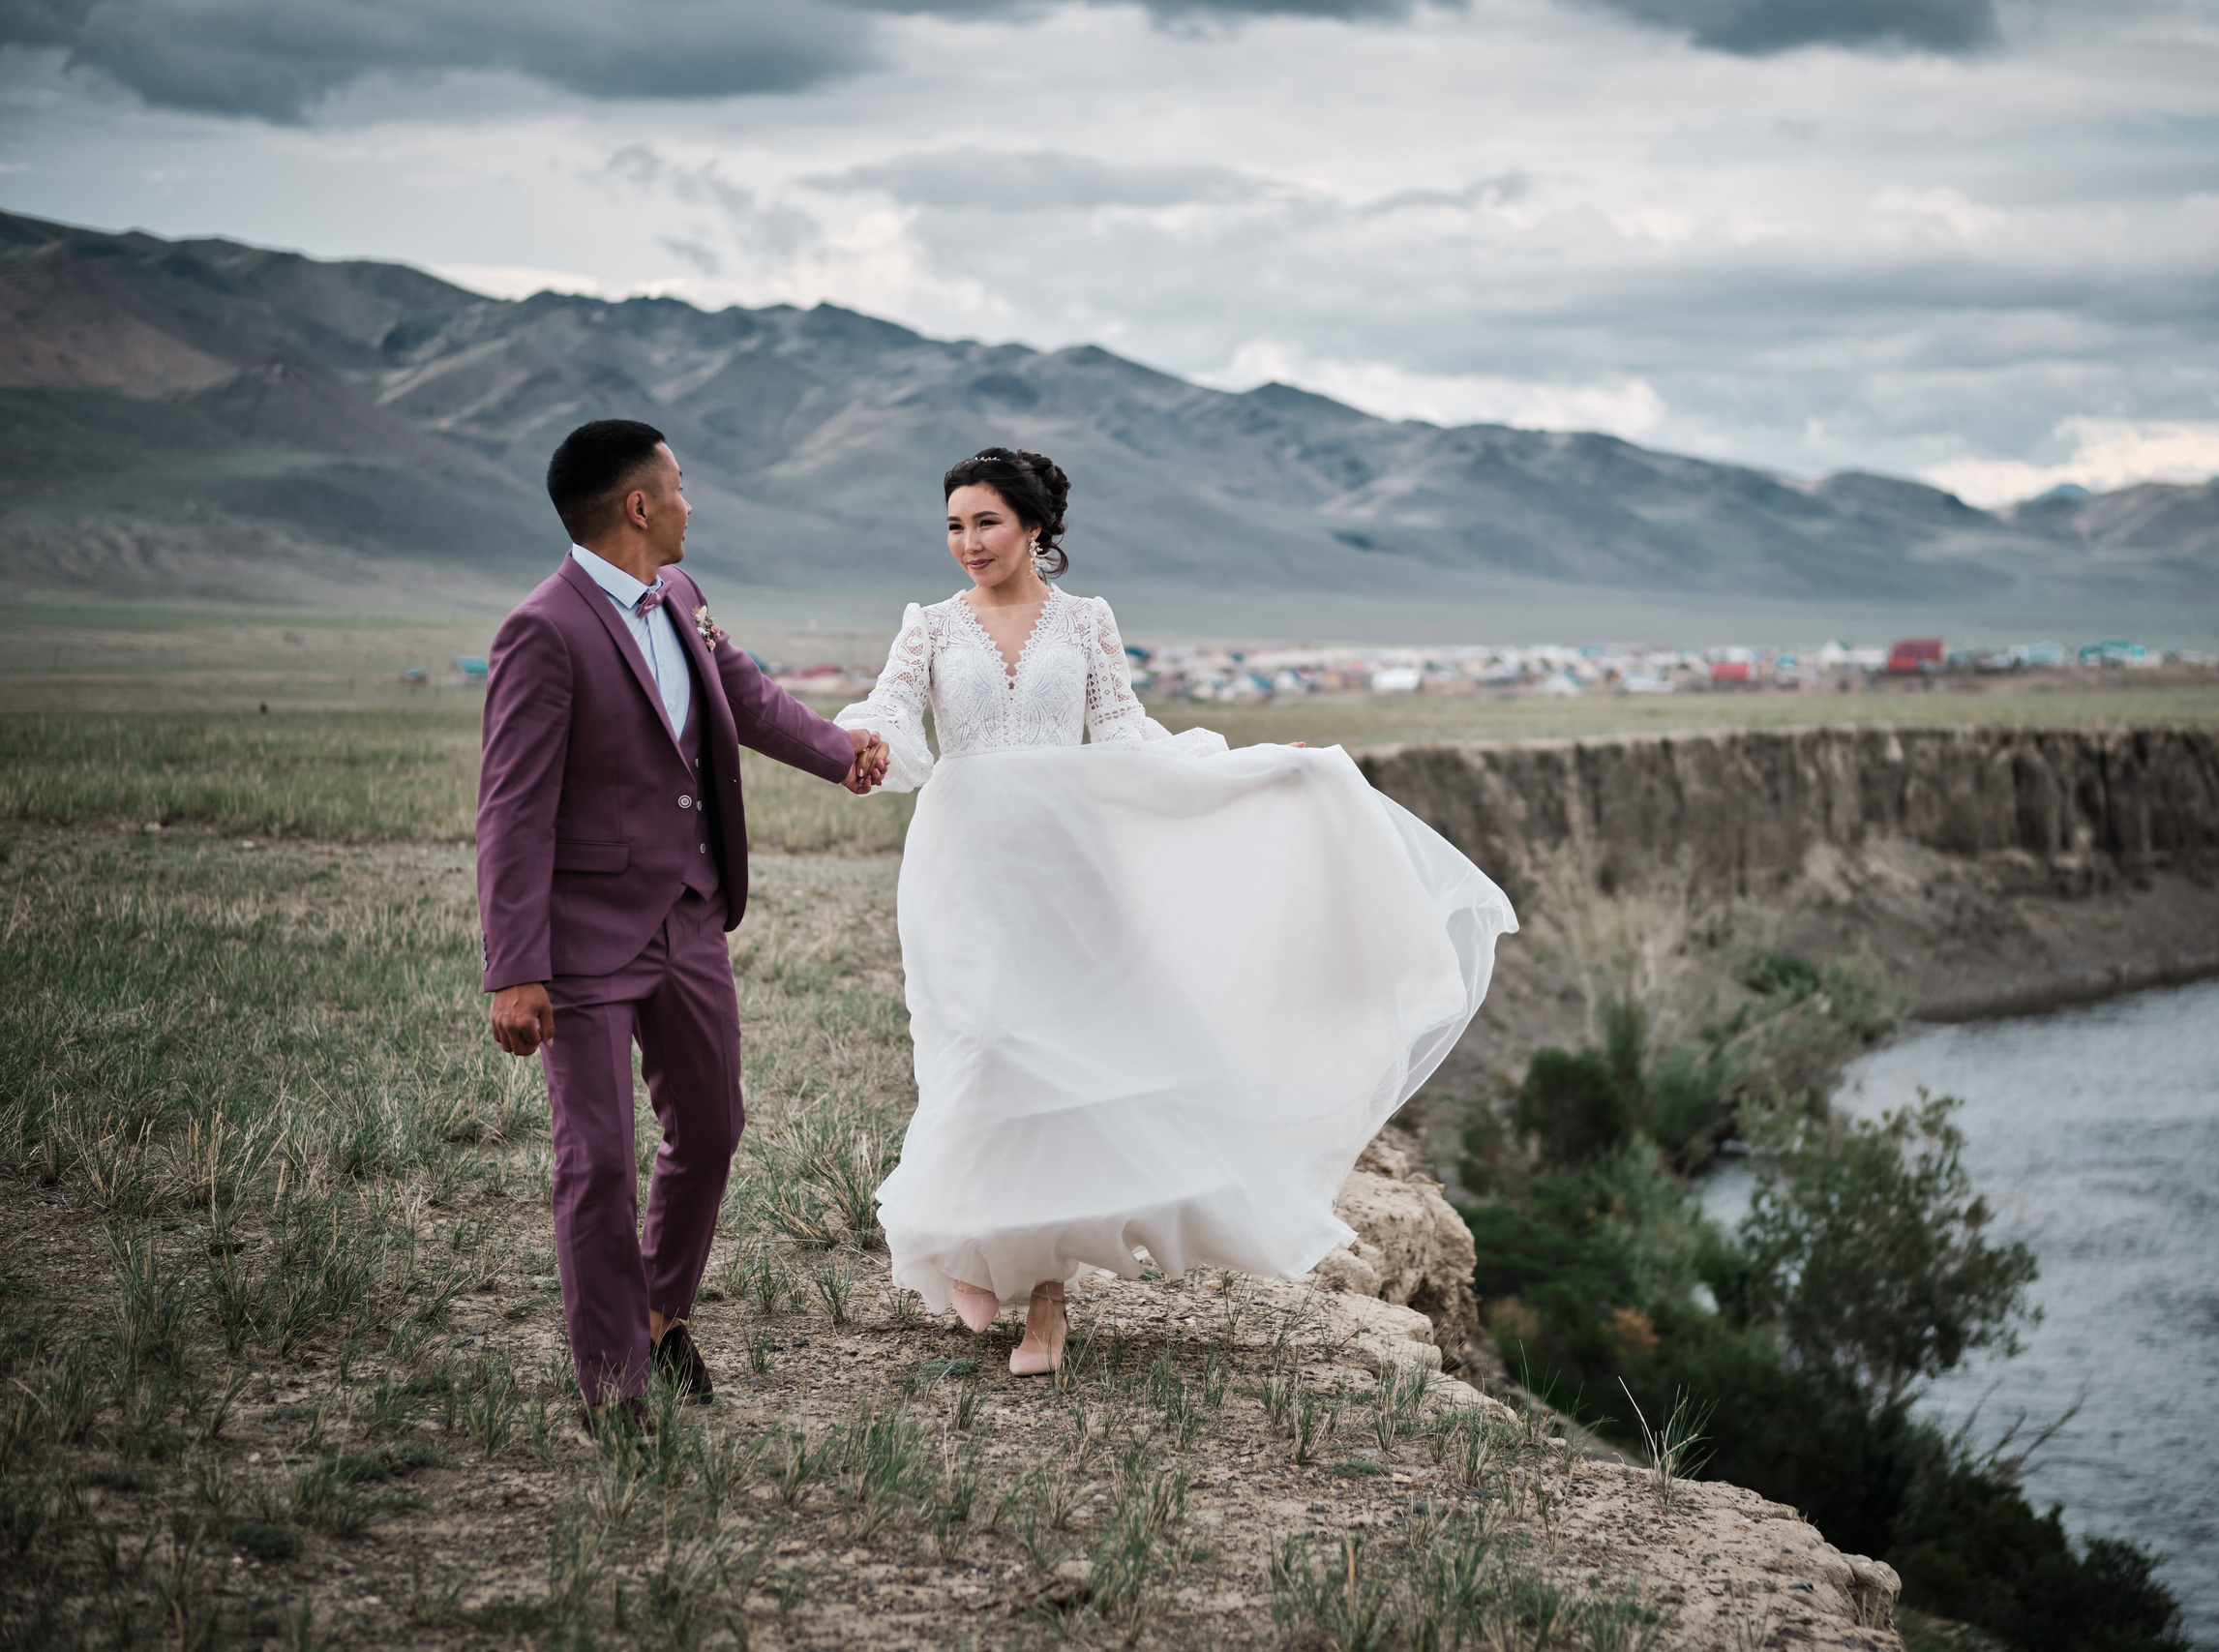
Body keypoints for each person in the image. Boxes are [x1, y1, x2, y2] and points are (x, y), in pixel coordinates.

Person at [835, 446, 1514, 1375]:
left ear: (1035, 526)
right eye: (954, 525)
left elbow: (1127, 740)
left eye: (985, 522)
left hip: (1069, 865)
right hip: (963, 861)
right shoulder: (929, 627)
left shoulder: (1086, 623)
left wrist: (1257, 765)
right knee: (977, 1048)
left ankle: (1045, 1303)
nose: (967, 542)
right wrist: (853, 740)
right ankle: (967, 1243)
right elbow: (892, 718)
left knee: (1058, 1066)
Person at [474, 419, 886, 1431]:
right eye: (681, 485)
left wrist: (840, 751)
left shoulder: (685, 599)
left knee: (711, 1128)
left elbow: (738, 695)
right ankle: (612, 1382)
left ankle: (659, 1312)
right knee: (598, 1160)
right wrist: (513, 967)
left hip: (691, 919)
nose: (693, 502)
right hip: (581, 941)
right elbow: (512, 810)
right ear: (639, 505)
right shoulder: (543, 629)